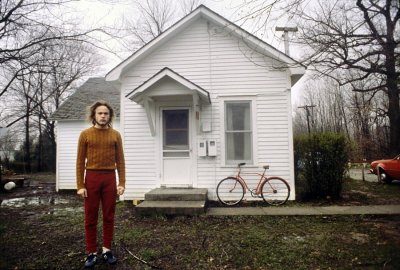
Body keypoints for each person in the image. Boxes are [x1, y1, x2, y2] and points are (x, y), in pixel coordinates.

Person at [76, 100, 126, 268]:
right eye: (100, 113)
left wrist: (122, 182)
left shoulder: (115, 135)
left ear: (110, 116)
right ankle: (91, 252)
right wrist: (80, 185)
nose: (103, 116)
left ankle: (106, 249)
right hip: (91, 179)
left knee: (109, 216)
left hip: (110, 179)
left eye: (106, 113)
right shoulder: (85, 134)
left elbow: (120, 161)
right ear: (94, 115)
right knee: (90, 217)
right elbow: (79, 162)